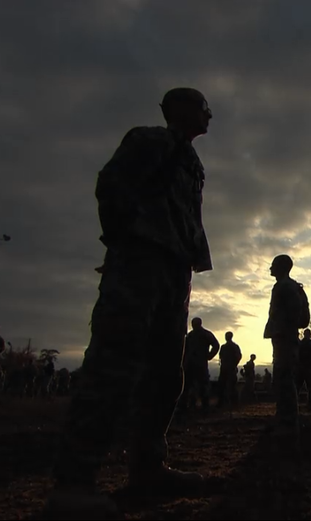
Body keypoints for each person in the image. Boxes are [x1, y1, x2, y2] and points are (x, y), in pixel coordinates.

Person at [44, 88, 213, 517]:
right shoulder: (148, 140)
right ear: (177, 109)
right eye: (201, 105)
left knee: (164, 376)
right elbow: (111, 185)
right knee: (113, 365)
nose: (209, 113)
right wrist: (124, 240)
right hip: (139, 261)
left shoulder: (194, 163)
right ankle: (74, 481)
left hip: (176, 269)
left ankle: (148, 467)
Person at [263, 254, 303, 446]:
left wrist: (284, 327)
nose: (270, 268)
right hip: (284, 336)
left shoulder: (284, 286)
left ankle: (288, 422)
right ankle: (285, 418)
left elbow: (294, 313)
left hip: (285, 336)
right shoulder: (290, 286)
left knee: (284, 377)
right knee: (283, 377)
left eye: (273, 265)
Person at [183, 317, 219, 411]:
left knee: (202, 385)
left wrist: (209, 356)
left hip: (200, 363)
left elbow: (215, 345)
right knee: (189, 385)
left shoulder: (204, 334)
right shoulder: (190, 335)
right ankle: (190, 404)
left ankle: (204, 406)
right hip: (191, 364)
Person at [218, 331, 242, 407]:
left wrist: (233, 364)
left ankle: (229, 402)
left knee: (227, 385)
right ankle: (230, 402)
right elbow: (238, 356)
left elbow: (238, 356)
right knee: (226, 385)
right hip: (228, 368)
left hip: (228, 368)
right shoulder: (232, 346)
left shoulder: (225, 347)